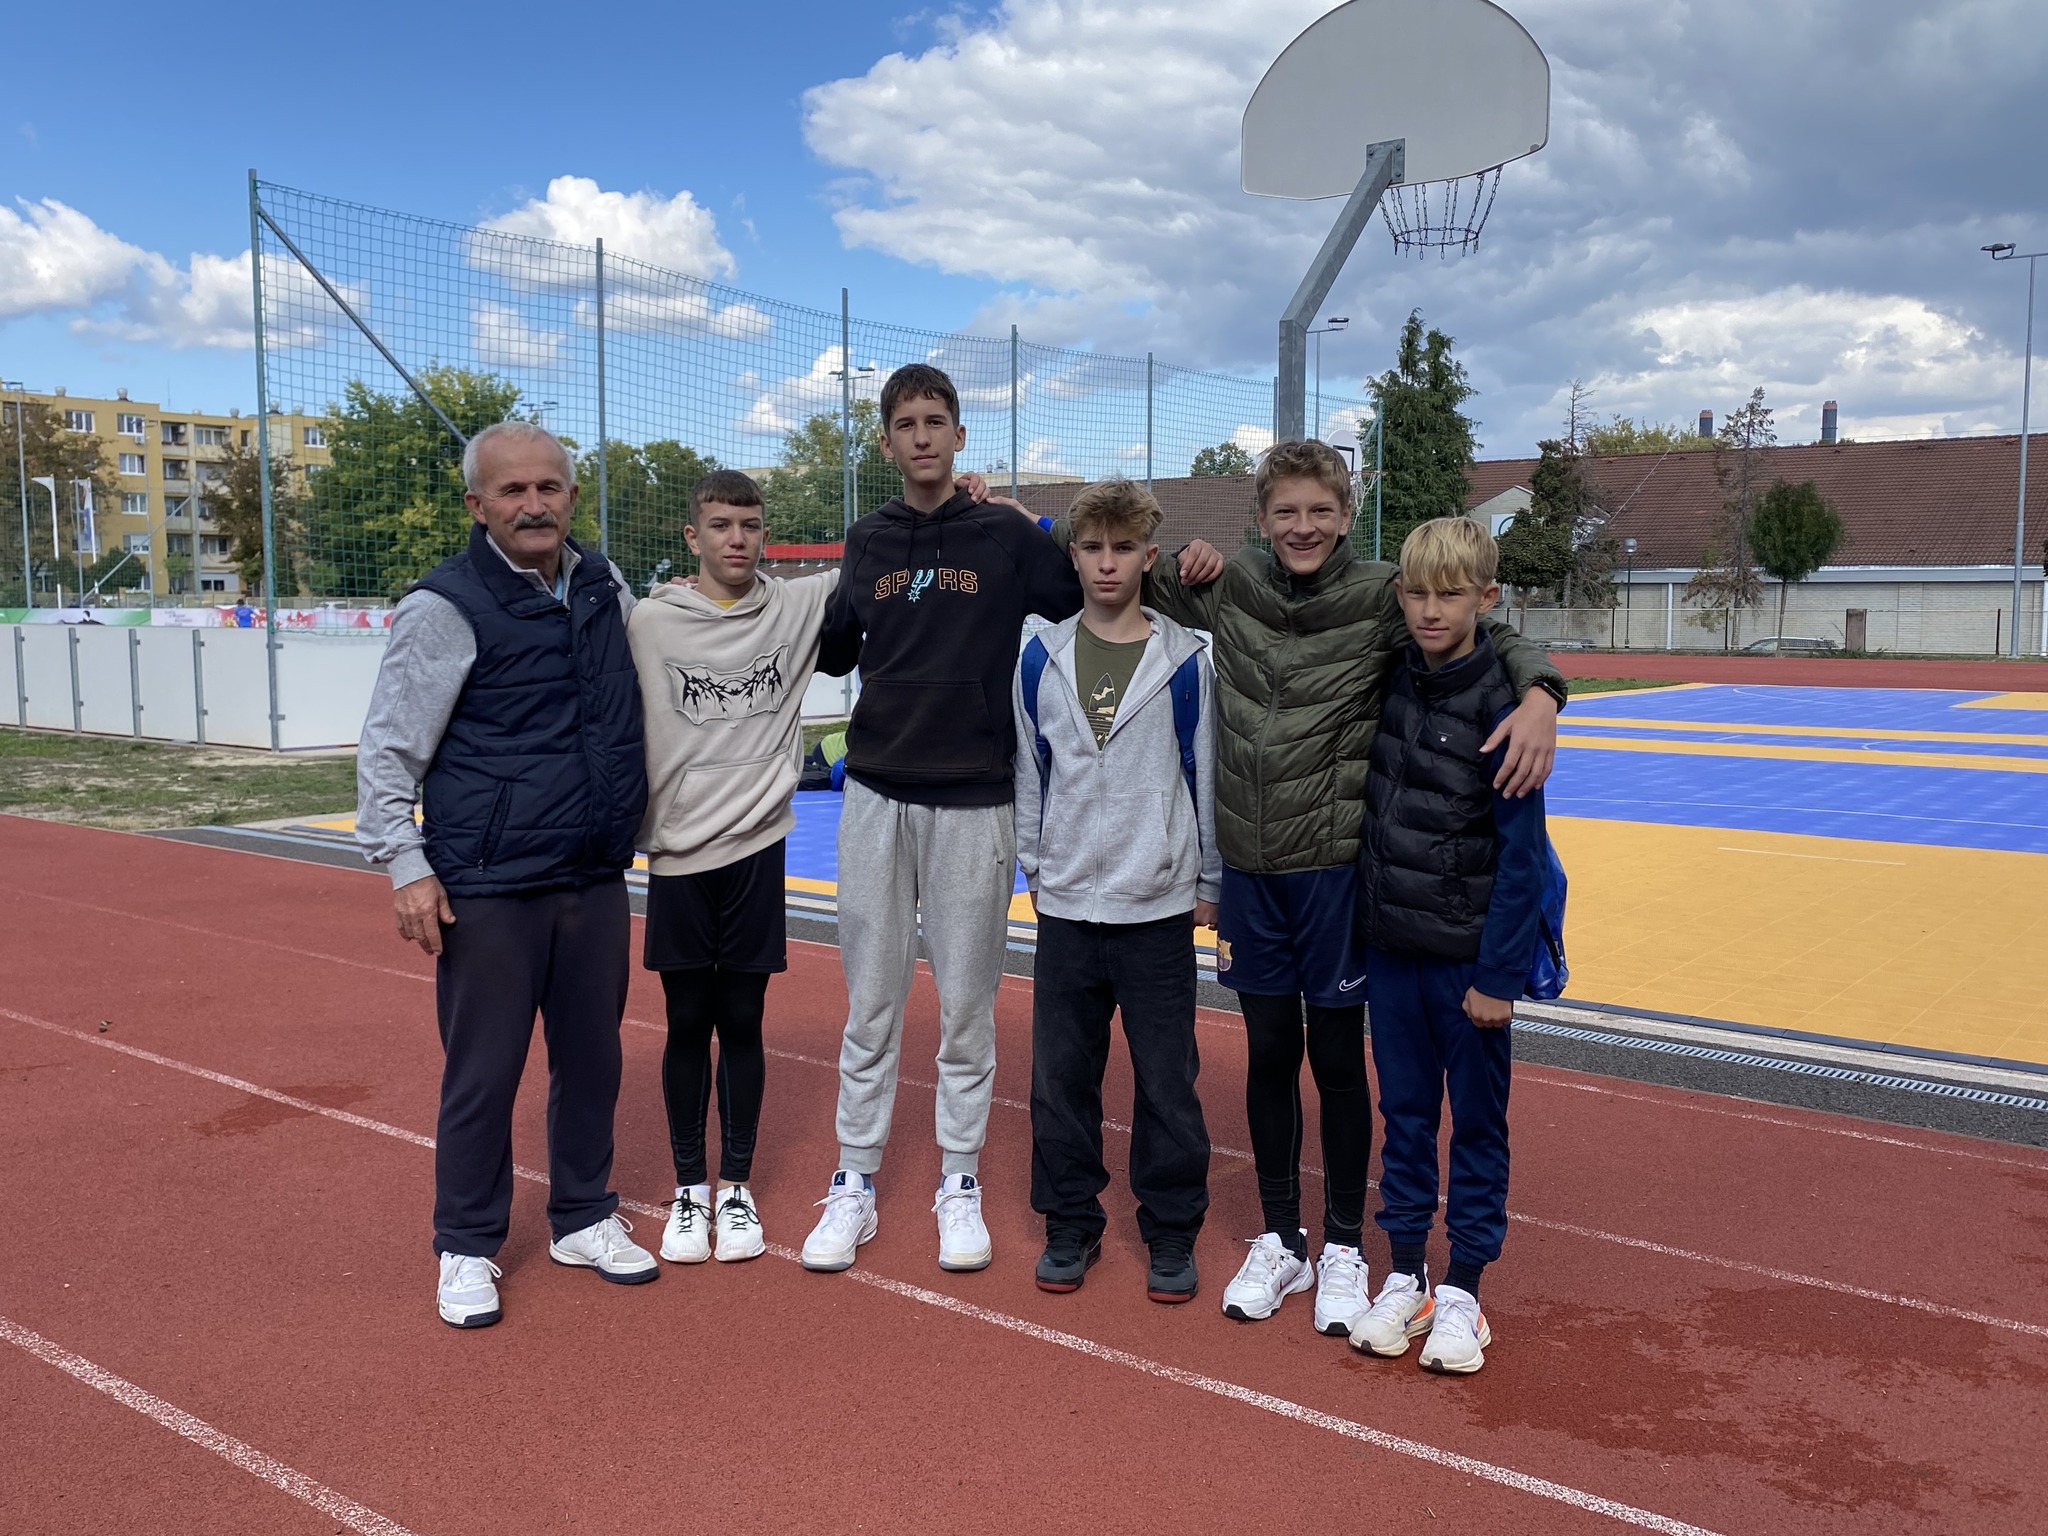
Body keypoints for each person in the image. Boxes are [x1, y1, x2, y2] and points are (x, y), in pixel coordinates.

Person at [1133, 439, 1565, 1334]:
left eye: (1320, 511)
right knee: (1266, 1055)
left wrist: (1542, 694)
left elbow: (1487, 627)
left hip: (1333, 867)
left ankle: (1341, 1245)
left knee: (1336, 1062)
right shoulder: (1230, 583)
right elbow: (1119, 569)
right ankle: (1280, 1237)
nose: (1303, 527)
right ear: (1260, 520)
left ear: (1346, 516)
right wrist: (1031, 526)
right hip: (1251, 870)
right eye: (1286, 512)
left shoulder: (1381, 595)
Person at [357, 419, 656, 1329]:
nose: (533, 505)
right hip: (487, 883)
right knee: (483, 1073)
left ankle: (583, 1215)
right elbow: (388, 749)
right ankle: (466, 1241)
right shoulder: (442, 607)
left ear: (573, 497)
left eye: (548, 487)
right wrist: (405, 864)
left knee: (592, 1060)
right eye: (513, 490)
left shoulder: (604, 585)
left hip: (592, 872)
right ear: (477, 505)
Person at [799, 363, 1085, 1275]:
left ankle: (959, 1179)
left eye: (936, 421)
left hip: (974, 798)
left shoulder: (1002, 535)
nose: (921, 436)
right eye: (905, 424)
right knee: (871, 1004)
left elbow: (1084, 588)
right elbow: (836, 647)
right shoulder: (868, 540)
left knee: (965, 1008)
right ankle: (854, 1179)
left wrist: (1036, 519)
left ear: (960, 437)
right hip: (876, 794)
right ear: (886, 443)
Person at [628, 469, 854, 1266]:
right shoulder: (650, 622)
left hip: (758, 848)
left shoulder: (794, 607)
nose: (736, 539)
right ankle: (690, 1190)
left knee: (745, 1020)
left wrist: (973, 502)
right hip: (680, 853)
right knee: (688, 1021)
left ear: (765, 534)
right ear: (693, 536)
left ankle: (737, 1188)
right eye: (720, 525)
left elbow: (882, 554)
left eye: (750, 526)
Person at [1346, 518, 1550, 1375]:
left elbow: (1523, 859)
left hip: (1469, 968)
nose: (1432, 610)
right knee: (1404, 1119)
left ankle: (1465, 1288)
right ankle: (1407, 1275)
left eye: (1452, 594)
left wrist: (1499, 977)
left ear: (1486, 598)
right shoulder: (1389, 673)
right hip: (1393, 951)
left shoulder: (1507, 711)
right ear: (1400, 596)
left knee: (1475, 1127)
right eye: (1418, 593)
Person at [1012, 479, 1220, 1303]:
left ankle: (1171, 1230)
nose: (1107, 563)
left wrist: (1208, 879)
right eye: (1093, 548)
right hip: (1068, 908)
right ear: (1073, 555)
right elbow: (1031, 770)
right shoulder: (1040, 656)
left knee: (1167, 1081)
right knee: (1061, 1079)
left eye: (1123, 548)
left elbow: (1203, 775)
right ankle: (1071, 1221)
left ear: (1149, 557)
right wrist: (1036, 865)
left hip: (1157, 908)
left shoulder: (1187, 660)